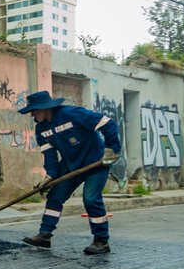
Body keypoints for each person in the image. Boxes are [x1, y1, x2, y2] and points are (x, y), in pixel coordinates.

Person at [18, 90, 121, 255]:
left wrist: (111, 149)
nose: (32, 115)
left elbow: (107, 123)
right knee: (54, 196)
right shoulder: (41, 130)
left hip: (96, 162)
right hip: (70, 165)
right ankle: (44, 235)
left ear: (45, 108)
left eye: (34, 111)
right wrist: (50, 175)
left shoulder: (72, 114)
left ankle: (101, 241)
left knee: (91, 198)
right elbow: (50, 156)